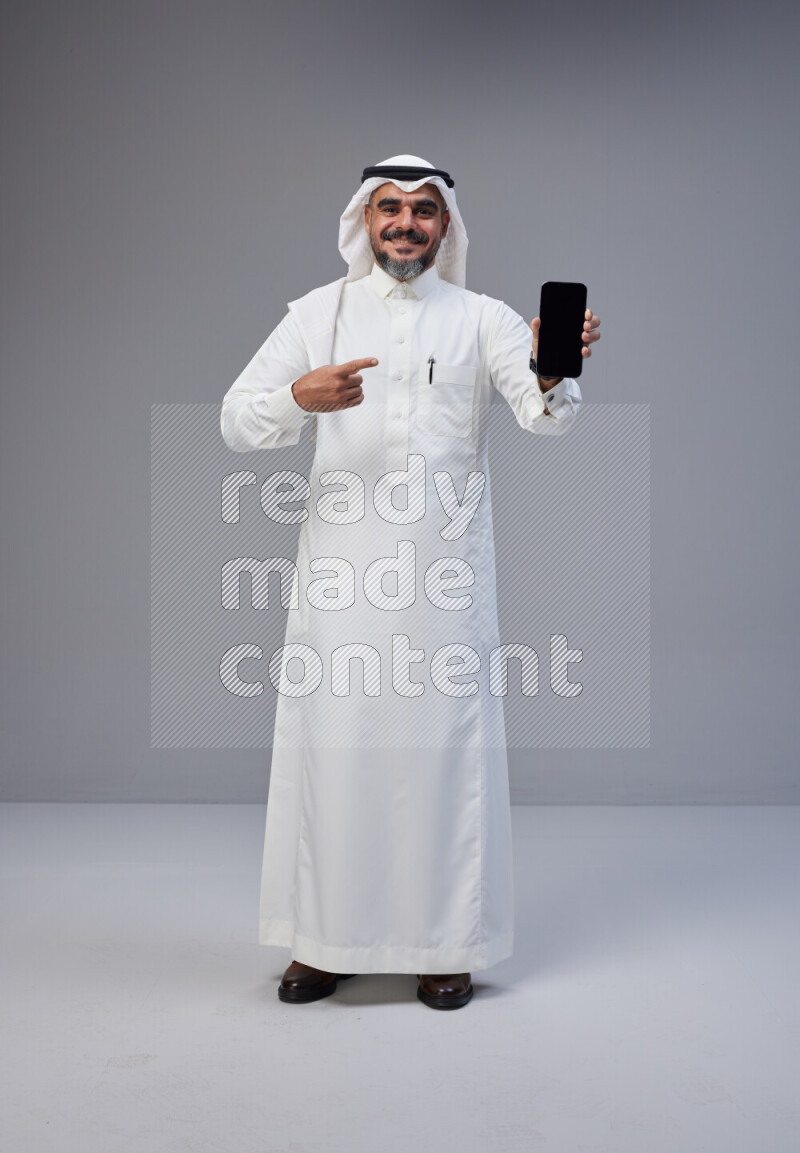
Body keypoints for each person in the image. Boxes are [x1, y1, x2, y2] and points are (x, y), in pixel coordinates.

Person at [220, 154, 601, 1010]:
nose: (404, 223)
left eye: (423, 211)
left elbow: (545, 415)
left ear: (447, 226)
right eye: (388, 207)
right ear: (363, 219)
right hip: (343, 588)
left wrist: (551, 366)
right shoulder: (317, 314)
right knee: (338, 756)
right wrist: (296, 397)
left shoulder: (483, 318)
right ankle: (324, 944)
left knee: (439, 763)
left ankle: (443, 944)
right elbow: (236, 419)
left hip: (443, 590)